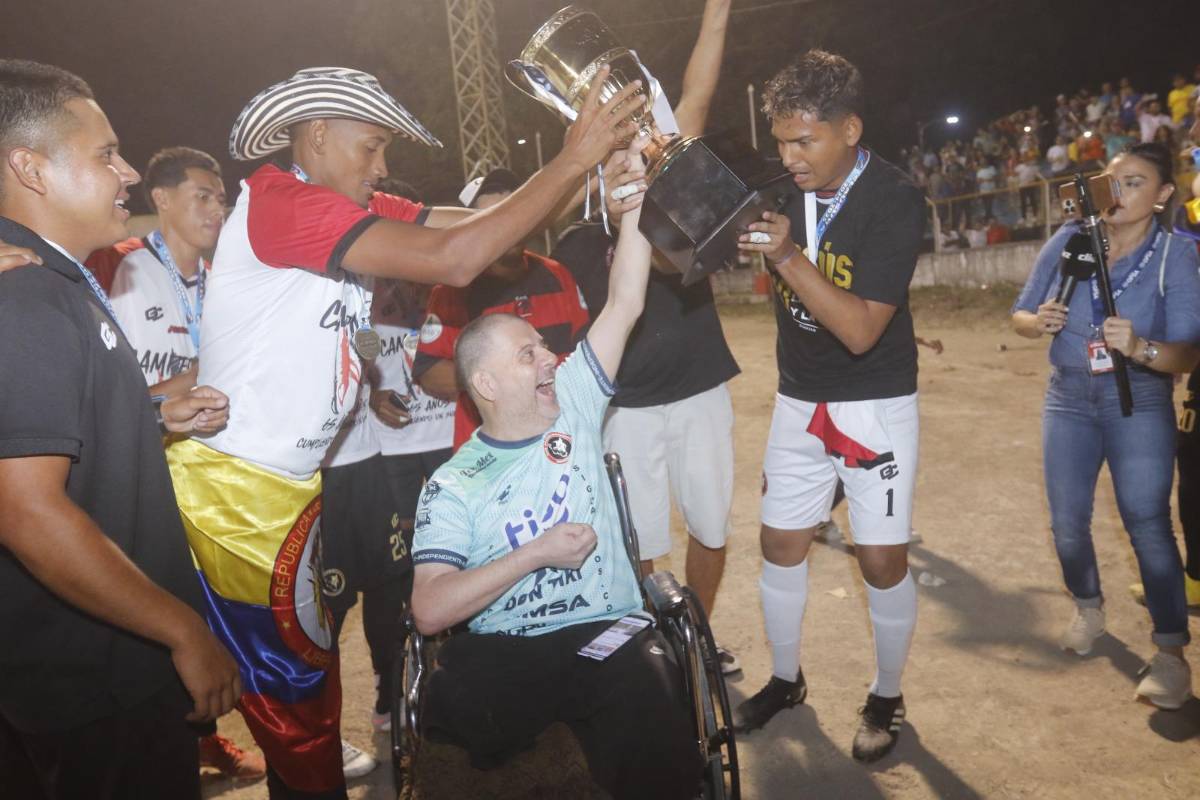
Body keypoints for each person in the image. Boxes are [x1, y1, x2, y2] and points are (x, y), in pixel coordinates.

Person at [164, 66, 643, 799]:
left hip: (281, 486)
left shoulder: (331, 201)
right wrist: (573, 159)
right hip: (238, 491)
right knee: (295, 707)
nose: (383, 166)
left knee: (303, 693)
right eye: (372, 147)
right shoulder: (283, 202)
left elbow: (466, 228)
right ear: (318, 135)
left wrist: (585, 187)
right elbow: (456, 260)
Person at [410, 142, 702, 799]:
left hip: (610, 627)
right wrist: (536, 554)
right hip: (505, 646)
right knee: (455, 745)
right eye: (528, 354)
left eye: (543, 347)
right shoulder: (454, 483)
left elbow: (625, 301)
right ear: (483, 381)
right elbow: (429, 611)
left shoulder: (574, 398)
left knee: (653, 714)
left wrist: (629, 209)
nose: (548, 358)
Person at [0, 59, 239, 799]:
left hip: (101, 672)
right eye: (105, 154)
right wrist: (182, 631)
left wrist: (147, 414)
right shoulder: (26, 297)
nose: (128, 172)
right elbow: (26, 510)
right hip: (94, 684)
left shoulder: (54, 280)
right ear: (30, 168)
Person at [732, 49, 926, 763]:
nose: (789, 156)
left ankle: (886, 692)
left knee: (879, 560)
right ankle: (786, 679)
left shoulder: (895, 198)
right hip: (797, 397)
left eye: (805, 140)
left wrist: (787, 258)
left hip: (874, 398)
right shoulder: (779, 189)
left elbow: (860, 330)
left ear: (850, 128)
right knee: (779, 543)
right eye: (780, 140)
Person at [552, 0, 740, 670]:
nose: (628, 135)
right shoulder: (579, 233)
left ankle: (700, 638)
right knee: (642, 540)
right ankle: (660, 645)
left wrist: (716, 14)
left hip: (698, 388)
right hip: (625, 407)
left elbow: (698, 90)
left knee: (713, 527)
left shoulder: (676, 171)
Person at [1011, 142, 1200, 710]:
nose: (1118, 194)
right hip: (1067, 397)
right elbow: (1021, 314)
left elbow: (1187, 354)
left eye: (1136, 182)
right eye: (1111, 183)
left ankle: (1171, 653)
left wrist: (1140, 347)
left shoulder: (1176, 256)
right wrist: (1036, 321)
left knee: (1147, 523)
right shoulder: (1071, 242)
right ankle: (1088, 607)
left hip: (1139, 400)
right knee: (1068, 522)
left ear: (1164, 194)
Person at [99, 145, 267, 781]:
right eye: (202, 195)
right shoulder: (114, 267)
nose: (217, 208)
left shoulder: (232, 276)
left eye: (221, 197)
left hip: (222, 470)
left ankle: (201, 737)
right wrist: (190, 383)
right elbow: (104, 401)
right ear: (160, 199)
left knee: (214, 606)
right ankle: (177, 740)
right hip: (148, 473)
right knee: (159, 608)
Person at [414, 168, 590, 451]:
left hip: (562, 437)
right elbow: (429, 370)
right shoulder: (454, 290)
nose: (506, 228)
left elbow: (585, 353)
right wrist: (500, 379)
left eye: (512, 215)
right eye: (494, 218)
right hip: (489, 451)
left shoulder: (557, 275)